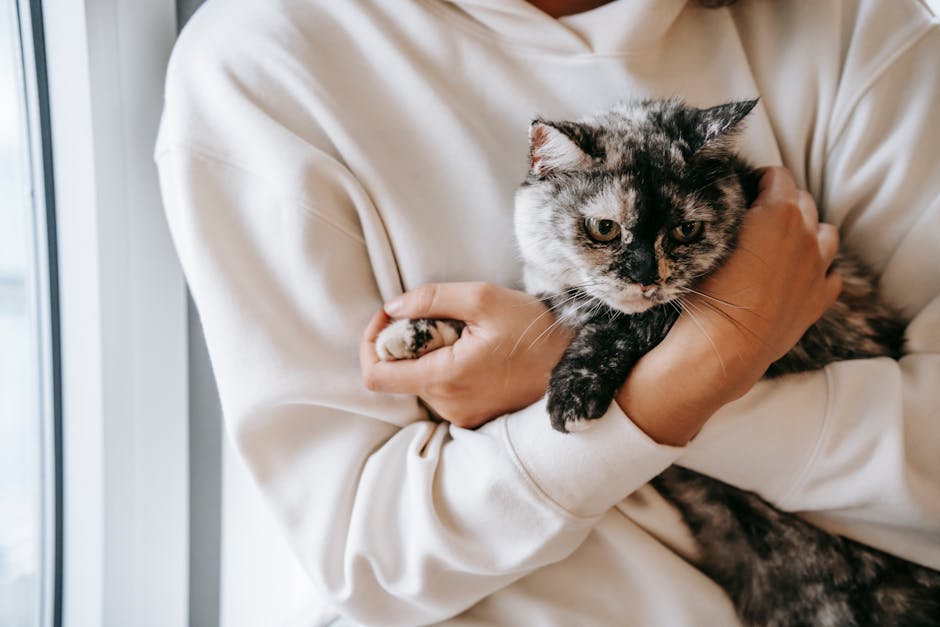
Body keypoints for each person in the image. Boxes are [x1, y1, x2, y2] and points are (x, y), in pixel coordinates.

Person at [155, 0, 940, 624]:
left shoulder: (849, 23)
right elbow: (371, 559)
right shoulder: (263, 63)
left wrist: (600, 376)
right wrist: (696, 368)